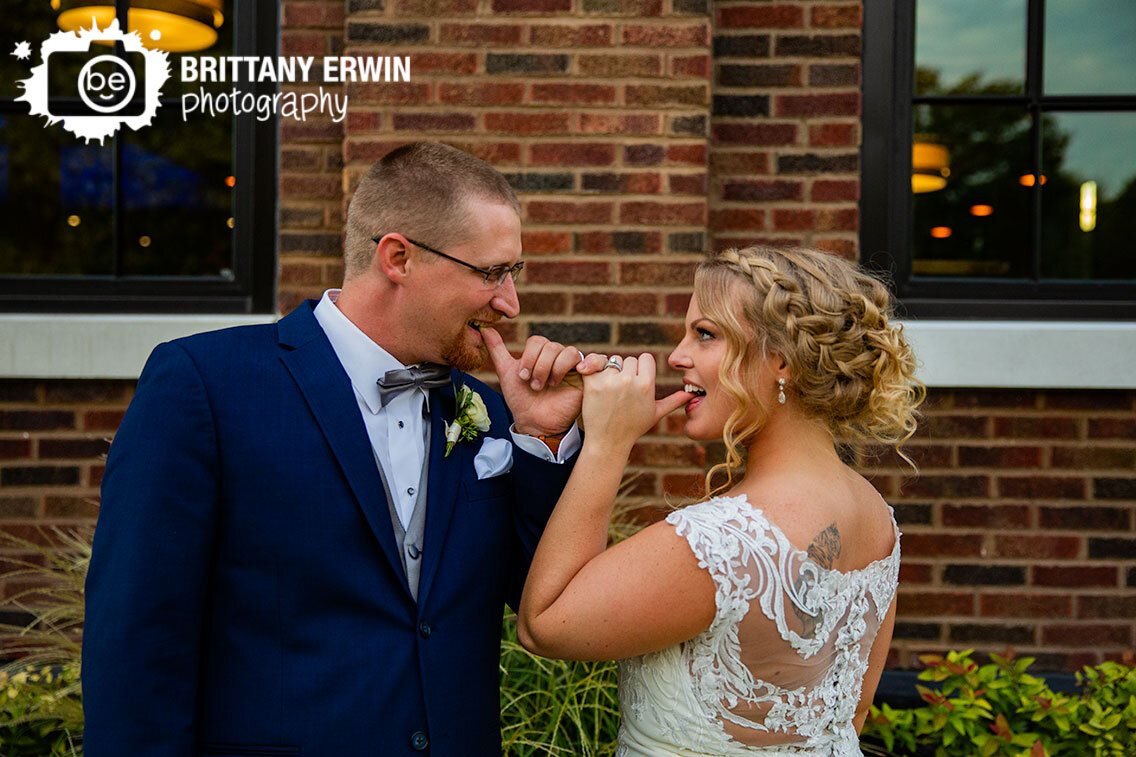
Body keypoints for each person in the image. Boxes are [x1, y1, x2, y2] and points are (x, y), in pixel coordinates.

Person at [82, 142, 591, 756]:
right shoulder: (205, 385)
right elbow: (138, 638)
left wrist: (540, 441)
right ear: (398, 258)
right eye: (490, 273)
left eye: (514, 274)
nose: (509, 303)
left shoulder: (493, 411)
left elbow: (545, 603)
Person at [516, 246, 924, 756]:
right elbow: (851, 715)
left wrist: (607, 442)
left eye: (705, 335)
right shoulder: (875, 515)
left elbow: (543, 625)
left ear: (781, 360)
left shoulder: (722, 543)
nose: (677, 356)